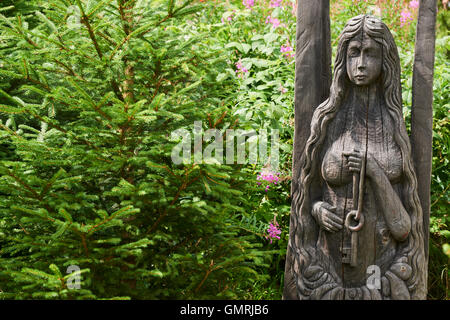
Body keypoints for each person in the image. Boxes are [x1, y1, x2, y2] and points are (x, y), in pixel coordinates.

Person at [288, 15, 426, 300]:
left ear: (385, 59)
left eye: (370, 53)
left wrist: (374, 170)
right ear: (343, 58)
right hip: (325, 270)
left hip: (384, 272)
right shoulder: (327, 118)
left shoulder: (394, 125)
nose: (361, 63)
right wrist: (317, 211)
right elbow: (307, 190)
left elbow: (403, 228)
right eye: (354, 53)